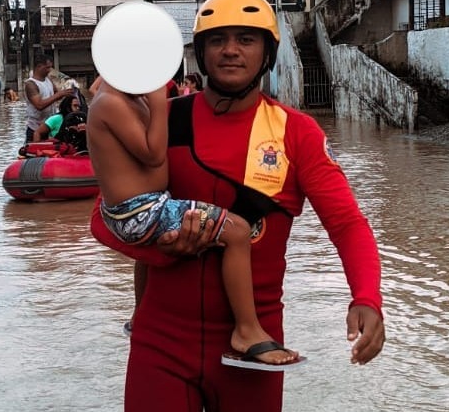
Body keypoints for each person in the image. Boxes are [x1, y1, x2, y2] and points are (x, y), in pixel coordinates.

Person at [89, 0, 384, 411]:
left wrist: (366, 297)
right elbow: (110, 215)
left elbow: (347, 225)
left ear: (268, 52)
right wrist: (159, 248)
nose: (230, 50)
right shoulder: (161, 120)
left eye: (246, 39)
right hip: (160, 344)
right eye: (217, 39)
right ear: (201, 52)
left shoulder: (296, 134)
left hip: (253, 354)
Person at [88, 72, 302, 368]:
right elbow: (152, 153)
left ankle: (140, 315)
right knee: (237, 231)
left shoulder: (114, 93)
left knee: (151, 252)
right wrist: (157, 100)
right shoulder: (111, 101)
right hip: (142, 211)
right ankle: (247, 331)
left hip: (138, 209)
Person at [23, 54, 76, 143]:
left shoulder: (48, 79)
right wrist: (59, 95)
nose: (49, 70)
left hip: (49, 126)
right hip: (35, 128)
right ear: (39, 66)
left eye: (50, 67)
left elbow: (56, 94)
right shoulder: (31, 84)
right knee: (34, 154)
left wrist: (67, 92)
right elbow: (39, 105)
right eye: (47, 68)